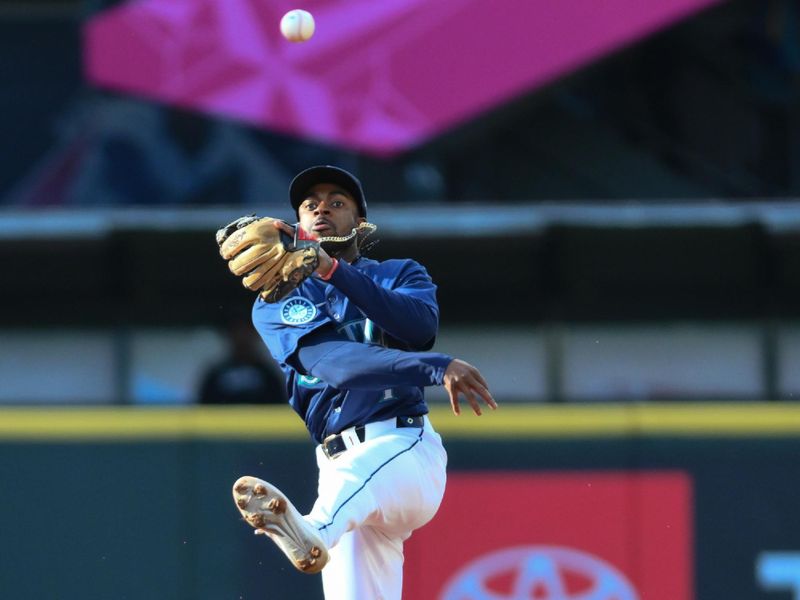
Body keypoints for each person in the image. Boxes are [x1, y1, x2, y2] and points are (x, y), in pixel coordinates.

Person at [229, 165, 496, 600]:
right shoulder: (275, 303)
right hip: (335, 464)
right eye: (310, 205)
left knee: (344, 492)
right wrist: (436, 367)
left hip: (402, 450)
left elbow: (416, 326)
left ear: (359, 221)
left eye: (337, 203)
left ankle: (311, 528)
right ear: (297, 225)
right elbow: (335, 363)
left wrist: (334, 270)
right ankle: (313, 529)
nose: (322, 210)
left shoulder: (399, 273)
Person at [198, 316, 287, 405]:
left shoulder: (267, 374)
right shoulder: (217, 373)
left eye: (246, 332)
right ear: (230, 336)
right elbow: (205, 406)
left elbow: (278, 405)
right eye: (237, 332)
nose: (242, 337)